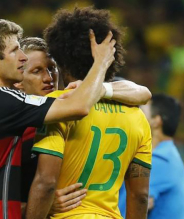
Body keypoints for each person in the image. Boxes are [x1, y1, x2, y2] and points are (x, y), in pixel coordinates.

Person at [0, 18, 116, 219]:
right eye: (14, 50)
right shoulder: (3, 101)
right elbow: (79, 106)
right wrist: (101, 64)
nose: (23, 57)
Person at [26, 7, 152, 219]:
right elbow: (140, 195)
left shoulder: (59, 105)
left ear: (62, 61)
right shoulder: (137, 116)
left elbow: (46, 182)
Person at [119, 94, 184, 219]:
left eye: (142, 109)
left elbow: (121, 212)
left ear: (156, 121)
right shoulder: (170, 157)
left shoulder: (158, 162)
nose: (137, 112)